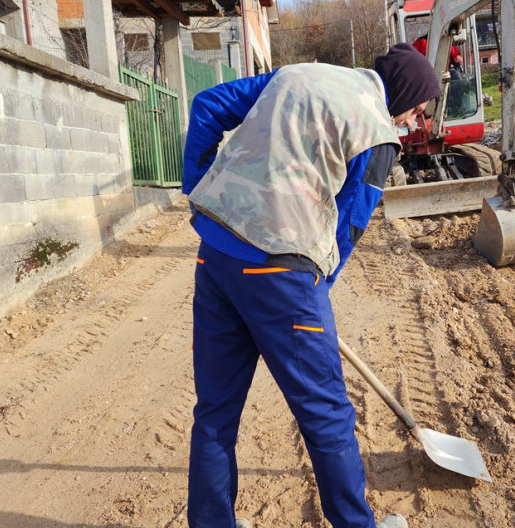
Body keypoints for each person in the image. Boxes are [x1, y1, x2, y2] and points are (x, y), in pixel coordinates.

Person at [181, 43, 440, 528]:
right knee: (327, 417)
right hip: (281, 269)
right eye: (416, 108)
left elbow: (207, 106)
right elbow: (348, 229)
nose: (412, 119)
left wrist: (195, 187)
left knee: (215, 413)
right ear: (403, 93)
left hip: (215, 255)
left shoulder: (295, 74)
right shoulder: (377, 134)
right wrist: (314, 292)